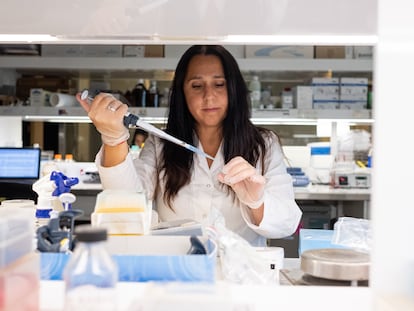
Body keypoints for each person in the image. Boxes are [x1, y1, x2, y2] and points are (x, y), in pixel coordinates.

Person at [77, 45, 302, 246]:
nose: (209, 96)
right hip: (177, 272)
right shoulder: (161, 144)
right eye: (196, 86)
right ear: (182, 93)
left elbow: (287, 224)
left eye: (219, 84)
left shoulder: (263, 144)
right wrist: (114, 139)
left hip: (242, 277)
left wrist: (257, 202)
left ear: (234, 89)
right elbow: (125, 203)